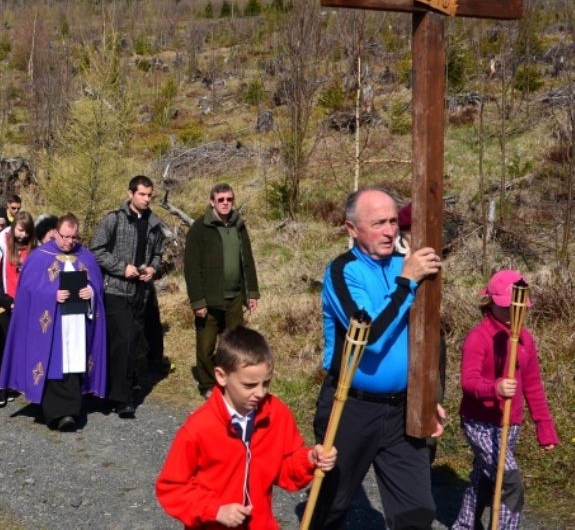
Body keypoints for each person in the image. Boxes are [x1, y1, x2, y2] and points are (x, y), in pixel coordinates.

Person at [306, 187, 444, 530]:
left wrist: (429, 397)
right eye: (378, 223)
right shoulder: (343, 271)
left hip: (402, 412)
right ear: (352, 229)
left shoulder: (405, 266)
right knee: (331, 506)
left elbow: (430, 337)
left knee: (416, 512)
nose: (389, 231)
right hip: (349, 407)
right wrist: (406, 283)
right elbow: (367, 336)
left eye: (394, 221)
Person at [156, 327, 337, 530]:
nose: (260, 393)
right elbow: (172, 487)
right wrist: (215, 510)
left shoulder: (276, 414)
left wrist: (310, 459)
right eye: (249, 385)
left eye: (266, 383)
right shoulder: (198, 428)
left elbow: (284, 470)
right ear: (221, 376)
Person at [453, 271, 558, 530]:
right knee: (510, 482)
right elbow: (468, 382)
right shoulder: (479, 337)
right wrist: (495, 388)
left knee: (484, 479)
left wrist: (544, 427)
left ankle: (464, 526)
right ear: (490, 302)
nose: (512, 312)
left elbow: (533, 386)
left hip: (510, 424)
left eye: (517, 306)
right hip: (480, 423)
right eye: (506, 306)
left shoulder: (525, 340)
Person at [0, 213, 108, 431]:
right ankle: (58, 413)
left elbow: (97, 286)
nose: (70, 242)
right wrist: (52, 296)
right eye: (66, 236)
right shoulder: (39, 257)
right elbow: (27, 292)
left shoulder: (85, 256)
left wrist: (91, 293)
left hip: (77, 323)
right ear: (56, 233)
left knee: (74, 363)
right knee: (54, 363)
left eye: (74, 237)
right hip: (50, 325)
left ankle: (72, 410)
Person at [91, 175, 167, 418]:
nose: (146, 199)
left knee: (133, 341)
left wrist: (153, 268)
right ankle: (122, 399)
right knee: (122, 341)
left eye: (149, 195)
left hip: (141, 294)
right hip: (115, 290)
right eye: (142, 194)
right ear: (130, 194)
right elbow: (96, 250)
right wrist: (121, 268)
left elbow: (158, 253)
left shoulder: (154, 223)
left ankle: (124, 386)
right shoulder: (113, 219)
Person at [184, 183, 260, 397]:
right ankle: (208, 385)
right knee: (206, 346)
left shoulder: (238, 226)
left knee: (236, 344)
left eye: (229, 199)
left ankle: (233, 382)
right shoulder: (200, 228)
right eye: (221, 200)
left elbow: (248, 262)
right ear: (212, 202)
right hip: (209, 299)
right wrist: (198, 301)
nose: (226, 203)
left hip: (235, 296)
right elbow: (191, 268)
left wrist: (252, 293)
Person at [0, 211, 34, 405]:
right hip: (2, 302)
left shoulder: (32, 245)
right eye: (20, 231)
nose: (23, 236)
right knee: (2, 346)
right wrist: (7, 301)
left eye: (27, 232)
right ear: (13, 228)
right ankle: (0, 386)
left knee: (20, 346)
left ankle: (15, 383)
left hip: (25, 304)